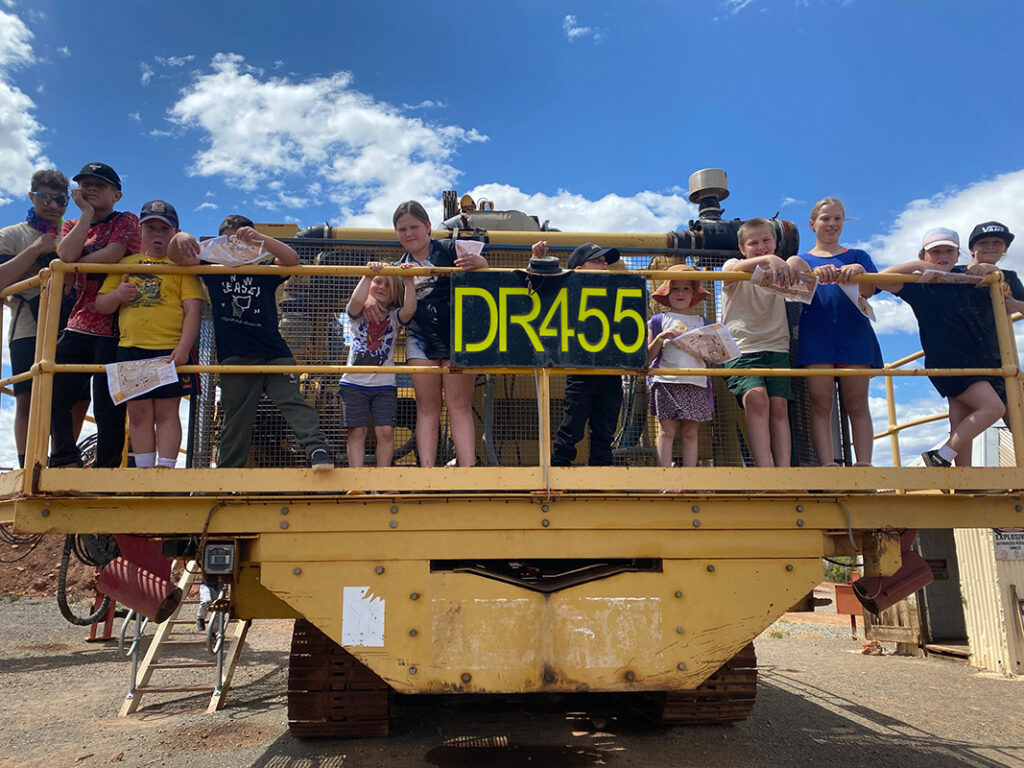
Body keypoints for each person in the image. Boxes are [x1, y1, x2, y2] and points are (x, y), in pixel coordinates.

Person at [167, 215, 333, 471]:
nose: (236, 247)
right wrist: (181, 237)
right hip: (235, 357)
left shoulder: (263, 268)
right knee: (236, 416)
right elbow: (177, 256)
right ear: (220, 243)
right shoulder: (212, 270)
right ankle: (227, 472)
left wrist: (261, 240)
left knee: (292, 400)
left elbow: (291, 259)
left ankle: (317, 450)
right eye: (230, 241)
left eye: (243, 241)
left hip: (274, 353)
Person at [875, 228, 1005, 468]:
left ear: (958, 255)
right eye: (935, 252)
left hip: (973, 357)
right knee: (993, 407)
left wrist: (988, 268)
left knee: (961, 419)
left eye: (948, 251)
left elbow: (996, 272)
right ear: (924, 254)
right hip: (947, 359)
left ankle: (966, 482)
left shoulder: (962, 276)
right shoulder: (918, 284)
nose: (942, 256)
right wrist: (916, 265)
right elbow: (880, 279)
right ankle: (941, 456)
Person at [95, 201, 205, 468]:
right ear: (141, 232)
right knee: (139, 412)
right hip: (130, 348)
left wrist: (183, 347)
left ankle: (165, 469)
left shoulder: (182, 268)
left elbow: (193, 310)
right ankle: (144, 473)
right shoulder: (125, 264)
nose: (157, 234)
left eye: (164, 229)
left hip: (169, 351)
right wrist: (119, 295)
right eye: (151, 228)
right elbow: (101, 305)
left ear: (176, 233)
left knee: (167, 412)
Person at [49, 163, 142, 468]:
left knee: (108, 405)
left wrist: (77, 260)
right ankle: (64, 458)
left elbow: (112, 255)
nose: (89, 190)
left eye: (98, 186)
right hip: (79, 322)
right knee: (55, 389)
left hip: (115, 326)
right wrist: (86, 216)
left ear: (116, 194)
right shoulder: (73, 224)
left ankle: (106, 470)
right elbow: (65, 255)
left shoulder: (126, 219)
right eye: (85, 184)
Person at [391, 201, 487, 468]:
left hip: (458, 336)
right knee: (427, 406)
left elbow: (482, 277)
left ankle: (468, 469)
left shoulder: (450, 249)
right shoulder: (397, 268)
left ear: (428, 227)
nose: (409, 233)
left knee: (459, 404)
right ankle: (427, 471)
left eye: (414, 227)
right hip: (420, 340)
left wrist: (481, 262)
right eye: (402, 229)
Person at [795, 197, 881, 467]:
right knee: (820, 404)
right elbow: (793, 284)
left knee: (857, 404)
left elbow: (869, 291)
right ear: (812, 224)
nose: (831, 224)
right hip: (816, 336)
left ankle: (864, 466)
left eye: (837, 219)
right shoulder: (803, 260)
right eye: (825, 219)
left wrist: (858, 272)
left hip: (854, 336)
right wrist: (811, 272)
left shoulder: (858, 256)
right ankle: (827, 466)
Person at [0, 169, 77, 468]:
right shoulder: (12, 235)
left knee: (74, 396)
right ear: (32, 197)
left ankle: (63, 460)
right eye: (45, 197)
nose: (53, 205)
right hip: (27, 327)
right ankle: (28, 464)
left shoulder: (73, 234)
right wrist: (35, 249)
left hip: (70, 327)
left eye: (60, 199)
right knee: (28, 396)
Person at [721, 218, 811, 467]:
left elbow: (804, 269)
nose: (760, 247)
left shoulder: (783, 270)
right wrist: (768, 260)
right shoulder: (735, 265)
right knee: (757, 398)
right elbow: (728, 273)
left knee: (779, 406)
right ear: (742, 249)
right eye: (753, 243)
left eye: (766, 241)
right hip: (743, 348)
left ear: (775, 243)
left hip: (776, 347)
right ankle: (765, 471)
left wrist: (792, 261)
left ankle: (784, 473)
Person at [546, 241, 623, 467]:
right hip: (579, 371)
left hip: (610, 371)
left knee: (605, 428)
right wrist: (538, 258)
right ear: (579, 270)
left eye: (606, 263)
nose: (605, 266)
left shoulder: (617, 295)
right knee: (572, 426)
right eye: (598, 261)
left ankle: (601, 479)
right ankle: (558, 471)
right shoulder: (566, 294)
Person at [341, 260, 416, 468]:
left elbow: (409, 310)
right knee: (357, 430)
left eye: (387, 286)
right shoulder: (357, 314)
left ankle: (383, 481)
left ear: (394, 294)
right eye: (378, 282)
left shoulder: (392, 317)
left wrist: (409, 281)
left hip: (384, 385)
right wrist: (367, 274)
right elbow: (356, 301)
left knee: (385, 431)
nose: (381, 287)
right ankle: (356, 481)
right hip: (354, 383)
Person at [647, 264, 712, 471]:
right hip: (666, 382)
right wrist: (660, 337)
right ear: (666, 293)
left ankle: (689, 479)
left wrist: (691, 341)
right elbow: (648, 357)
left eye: (686, 289)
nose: (680, 293)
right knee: (666, 431)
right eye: (675, 288)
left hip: (695, 381)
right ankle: (665, 478)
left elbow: (712, 357)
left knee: (690, 433)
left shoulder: (703, 322)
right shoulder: (658, 321)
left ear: (694, 294)